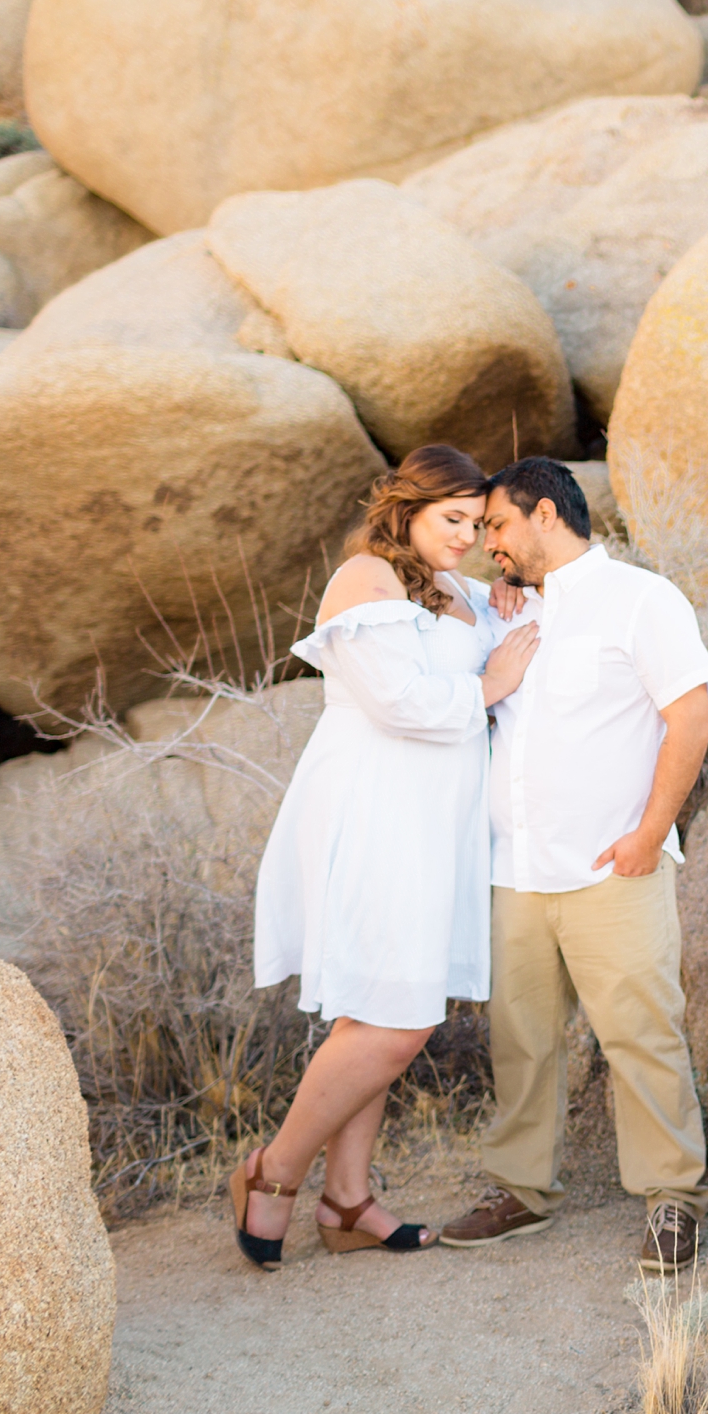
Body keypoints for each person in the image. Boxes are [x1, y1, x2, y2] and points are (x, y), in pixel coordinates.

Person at [235, 445, 539, 1270]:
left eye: (480, 526)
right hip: (374, 809)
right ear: (407, 507)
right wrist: (491, 684)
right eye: (454, 520)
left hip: (434, 820)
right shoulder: (365, 579)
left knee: (377, 1004)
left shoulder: (464, 590)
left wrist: (512, 594)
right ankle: (275, 1170)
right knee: (400, 1021)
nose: (469, 538)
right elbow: (398, 699)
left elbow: (515, 621)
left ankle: (347, 1199)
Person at [440, 457, 708, 1274]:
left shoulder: (642, 598)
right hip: (518, 869)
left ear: (544, 515)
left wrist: (648, 833)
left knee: (640, 1032)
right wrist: (498, 602)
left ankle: (674, 1198)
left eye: (496, 525)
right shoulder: (510, 610)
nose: (488, 543)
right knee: (521, 1039)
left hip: (612, 867)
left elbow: (689, 718)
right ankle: (521, 1190)